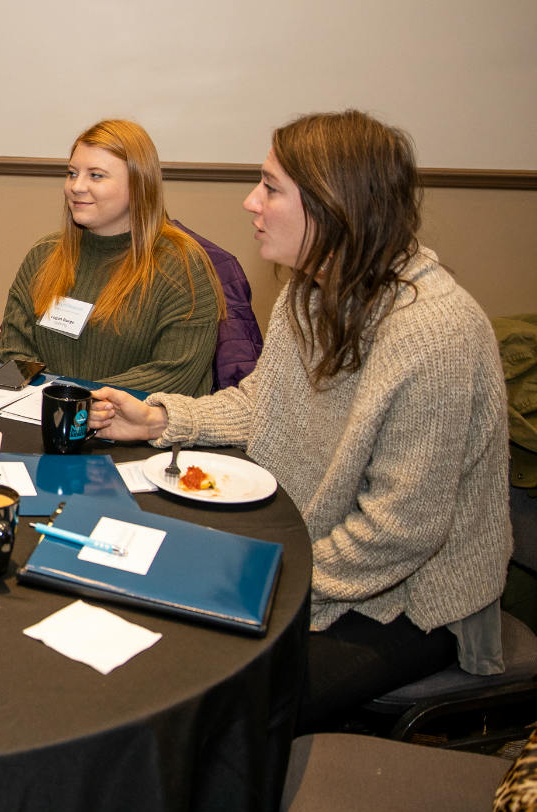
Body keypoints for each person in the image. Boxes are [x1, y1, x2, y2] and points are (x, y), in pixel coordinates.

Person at [89, 110, 511, 730]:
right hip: (315, 554)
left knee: (215, 702)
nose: (250, 201)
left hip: (409, 605)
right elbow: (264, 405)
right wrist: (157, 420)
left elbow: (400, 534)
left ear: (334, 206)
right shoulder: (309, 290)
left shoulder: (434, 334)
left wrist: (263, 580)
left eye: (270, 187)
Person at [0, 120, 224, 397]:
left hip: (137, 432)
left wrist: (78, 403)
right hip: (42, 417)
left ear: (139, 184)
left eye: (96, 176)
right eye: (72, 173)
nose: (76, 187)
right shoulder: (44, 254)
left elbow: (174, 375)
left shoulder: (182, 267)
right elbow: (15, 351)